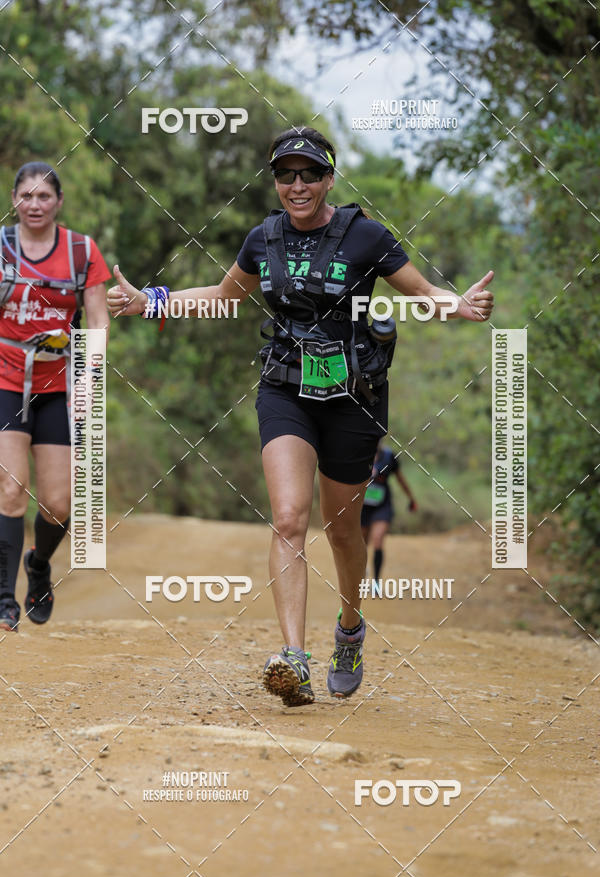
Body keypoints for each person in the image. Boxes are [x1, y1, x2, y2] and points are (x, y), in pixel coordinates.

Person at [107, 125, 494, 705]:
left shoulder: (363, 236)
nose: (298, 184)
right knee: (289, 517)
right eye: (286, 174)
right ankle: (293, 657)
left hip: (353, 398)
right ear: (276, 181)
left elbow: (420, 292)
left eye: (310, 173)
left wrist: (459, 306)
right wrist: (150, 300)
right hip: (284, 390)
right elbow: (222, 296)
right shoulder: (264, 239)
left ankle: (349, 629)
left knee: (341, 530)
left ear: (329, 178)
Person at [0, 162, 111, 632]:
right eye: (26, 196)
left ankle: (39, 564)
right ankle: (4, 601)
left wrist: (90, 367)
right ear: (14, 200)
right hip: (5, 380)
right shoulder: (2, 249)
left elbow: (98, 321)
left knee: (60, 504)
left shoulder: (82, 252)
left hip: (58, 386)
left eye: (44, 196)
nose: (35, 205)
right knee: (10, 489)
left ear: (59, 202)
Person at [361, 440, 417, 581]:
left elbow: (400, 479)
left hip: (382, 506)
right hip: (362, 506)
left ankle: (376, 582)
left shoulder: (389, 456)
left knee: (378, 538)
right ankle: (361, 574)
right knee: (362, 543)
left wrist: (411, 498)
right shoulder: (360, 453)